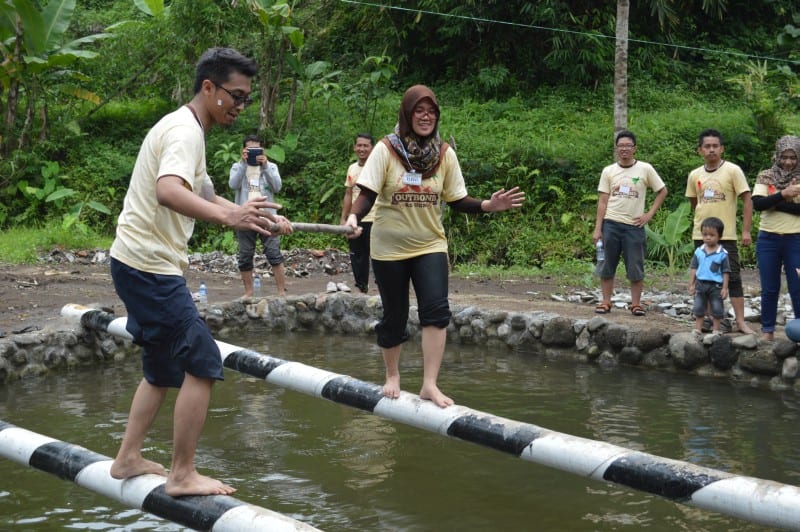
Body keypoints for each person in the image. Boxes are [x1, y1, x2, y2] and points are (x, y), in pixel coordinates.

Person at [108, 47, 292, 496]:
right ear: (208, 88)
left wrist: (258, 217)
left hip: (137, 263)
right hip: (149, 267)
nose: (241, 106)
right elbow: (169, 191)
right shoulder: (184, 133)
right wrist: (231, 220)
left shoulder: (190, 129)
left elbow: (208, 195)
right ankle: (182, 474)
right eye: (236, 95)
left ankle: (128, 457)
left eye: (246, 98)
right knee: (203, 359)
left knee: (161, 367)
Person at [343, 85, 525, 408]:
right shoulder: (386, 150)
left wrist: (487, 205)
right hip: (389, 249)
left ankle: (429, 384)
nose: (425, 117)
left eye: (431, 112)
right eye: (419, 111)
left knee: (436, 310)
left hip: (430, 245)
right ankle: (393, 375)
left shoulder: (443, 154)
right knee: (394, 315)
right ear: (407, 114)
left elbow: (457, 200)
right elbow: (367, 194)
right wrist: (355, 217)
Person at [685, 128, 755, 335]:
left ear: (722, 148)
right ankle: (707, 319)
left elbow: (747, 198)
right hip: (701, 235)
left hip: (727, 236)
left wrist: (746, 231)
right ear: (700, 150)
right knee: (704, 278)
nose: (711, 150)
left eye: (715, 146)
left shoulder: (733, 171)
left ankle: (740, 322)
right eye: (707, 146)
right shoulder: (694, 175)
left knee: (732, 277)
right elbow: (693, 202)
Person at [592, 130, 668, 316]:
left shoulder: (645, 169)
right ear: (616, 148)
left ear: (635, 148)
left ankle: (636, 304)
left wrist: (649, 214)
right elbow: (602, 201)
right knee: (606, 265)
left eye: (628, 146)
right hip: (611, 223)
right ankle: (606, 302)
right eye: (621, 146)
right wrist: (598, 228)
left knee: (635, 266)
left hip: (634, 226)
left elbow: (662, 191)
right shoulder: (608, 171)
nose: (624, 149)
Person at [752, 135, 800, 341]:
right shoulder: (766, 175)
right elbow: (758, 204)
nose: (788, 162)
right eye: (784, 157)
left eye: (793, 157)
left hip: (795, 240)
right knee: (770, 287)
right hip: (768, 239)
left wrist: (774, 201)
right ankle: (768, 331)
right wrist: (785, 194)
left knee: (797, 286)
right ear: (777, 156)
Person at [229, 134, 288, 297]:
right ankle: (249, 292)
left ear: (263, 150)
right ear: (243, 150)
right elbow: (232, 184)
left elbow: (277, 187)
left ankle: (281, 292)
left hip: (268, 218)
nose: (253, 153)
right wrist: (243, 163)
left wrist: (266, 165)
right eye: (250, 149)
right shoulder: (237, 166)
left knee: (274, 253)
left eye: (257, 149)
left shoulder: (271, 167)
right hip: (245, 218)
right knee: (245, 255)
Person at [340, 133, 376, 293]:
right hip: (356, 220)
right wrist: (344, 218)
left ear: (372, 148)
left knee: (378, 256)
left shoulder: (378, 168)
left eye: (365, 145)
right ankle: (361, 288)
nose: (362, 149)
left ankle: (384, 290)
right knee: (357, 256)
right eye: (359, 145)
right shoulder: (352, 168)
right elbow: (349, 194)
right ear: (355, 147)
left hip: (376, 219)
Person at [689, 217, 730, 336]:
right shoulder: (699, 251)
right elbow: (694, 268)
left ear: (719, 236)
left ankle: (716, 329)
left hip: (716, 285)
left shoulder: (722, 254)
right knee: (699, 306)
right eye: (705, 234)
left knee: (717, 307)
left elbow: (726, 272)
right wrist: (691, 284)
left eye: (712, 235)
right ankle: (698, 328)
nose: (708, 237)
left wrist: (724, 287)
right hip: (700, 284)